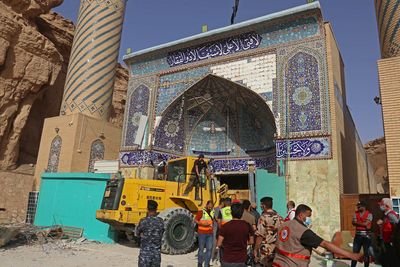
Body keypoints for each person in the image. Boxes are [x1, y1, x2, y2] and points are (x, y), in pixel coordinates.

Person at [273, 204, 363, 267]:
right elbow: (325, 244)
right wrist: (351, 255)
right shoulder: (303, 231)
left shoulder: (284, 225)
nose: (309, 219)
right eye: (308, 216)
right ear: (300, 215)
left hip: (277, 263)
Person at [253, 197, 283, 267]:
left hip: (265, 250)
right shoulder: (279, 217)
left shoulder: (263, 218)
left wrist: (255, 249)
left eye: (261, 204)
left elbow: (260, 235)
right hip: (277, 249)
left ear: (264, 205)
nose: (260, 206)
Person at [137, 200, 165, 267]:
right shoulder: (161, 221)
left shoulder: (143, 221)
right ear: (156, 209)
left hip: (145, 254)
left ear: (147, 209)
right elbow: (162, 233)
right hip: (156, 255)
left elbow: (137, 233)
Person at [377, 198, 400, 266]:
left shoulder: (390, 215)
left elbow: (397, 226)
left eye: (381, 205)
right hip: (385, 240)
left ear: (387, 206)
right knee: (385, 259)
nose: (380, 206)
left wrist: (394, 237)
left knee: (391, 259)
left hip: (390, 242)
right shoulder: (385, 215)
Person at [351, 201, 372, 267]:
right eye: (358, 206)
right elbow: (353, 222)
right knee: (355, 253)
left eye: (359, 206)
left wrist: (357, 223)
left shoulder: (369, 214)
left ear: (364, 207)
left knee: (366, 253)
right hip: (357, 236)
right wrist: (363, 223)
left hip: (366, 236)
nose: (358, 207)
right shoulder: (355, 213)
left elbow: (367, 224)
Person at [195, 200, 215, 267]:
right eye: (209, 206)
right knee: (201, 249)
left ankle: (207, 264)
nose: (210, 208)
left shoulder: (213, 212)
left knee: (209, 249)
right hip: (202, 233)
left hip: (210, 233)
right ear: (207, 205)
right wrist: (202, 224)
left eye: (211, 207)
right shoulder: (201, 212)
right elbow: (195, 220)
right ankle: (200, 264)